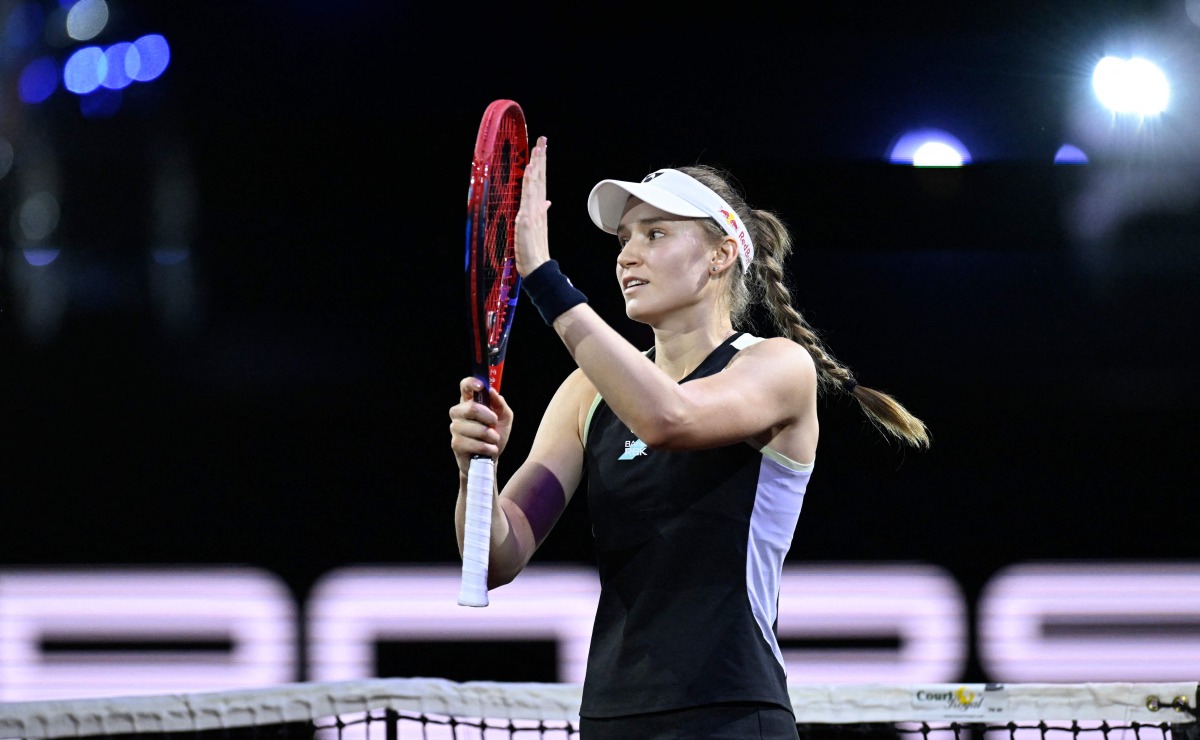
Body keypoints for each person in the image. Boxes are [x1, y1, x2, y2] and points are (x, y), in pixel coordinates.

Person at [449, 135, 930, 739]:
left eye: (655, 234)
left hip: (730, 712)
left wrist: (545, 280)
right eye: (624, 239)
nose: (627, 256)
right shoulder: (584, 393)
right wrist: (476, 471)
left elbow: (670, 418)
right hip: (611, 717)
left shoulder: (776, 367)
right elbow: (496, 556)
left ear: (721, 254)